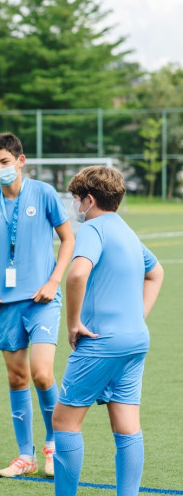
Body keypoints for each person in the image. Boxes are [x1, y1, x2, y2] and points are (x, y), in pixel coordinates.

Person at [52, 166, 163, 495]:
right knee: (127, 427)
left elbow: (76, 275)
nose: (74, 206)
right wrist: (137, 317)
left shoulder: (93, 228)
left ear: (89, 199)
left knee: (64, 421)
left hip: (100, 343)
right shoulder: (128, 230)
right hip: (135, 341)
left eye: (75, 199)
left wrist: (73, 324)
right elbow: (156, 273)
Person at [0, 132, 75, 478]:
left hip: (43, 300)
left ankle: (54, 445)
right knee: (17, 379)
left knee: (42, 374)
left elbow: (68, 239)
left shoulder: (43, 193)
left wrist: (53, 281)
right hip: (6, 304)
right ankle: (24, 456)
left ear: (20, 161)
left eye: (4, 162)